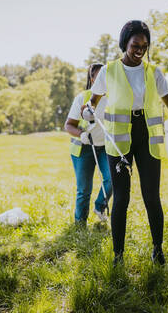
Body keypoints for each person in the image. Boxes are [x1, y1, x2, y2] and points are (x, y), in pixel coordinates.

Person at [82, 20, 168, 265]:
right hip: (119, 140)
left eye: (144, 45)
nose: (139, 50)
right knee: (121, 198)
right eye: (134, 45)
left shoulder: (154, 72)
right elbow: (93, 102)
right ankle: (118, 255)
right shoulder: (109, 71)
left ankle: (158, 250)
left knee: (152, 196)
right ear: (124, 44)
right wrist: (88, 110)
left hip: (147, 138)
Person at [65, 63, 112, 225]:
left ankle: (100, 207)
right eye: (98, 77)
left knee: (112, 178)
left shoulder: (114, 98)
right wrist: (81, 134)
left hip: (105, 147)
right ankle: (80, 223)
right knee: (84, 189)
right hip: (84, 148)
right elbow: (68, 125)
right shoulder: (83, 98)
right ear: (92, 80)